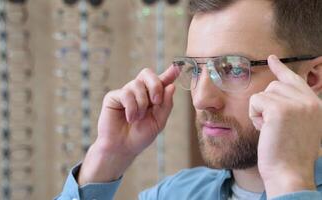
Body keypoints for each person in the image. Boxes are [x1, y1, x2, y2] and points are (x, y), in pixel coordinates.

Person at [56, 0, 322, 199]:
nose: (201, 99)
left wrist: (288, 180)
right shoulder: (173, 194)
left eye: (234, 69)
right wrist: (108, 156)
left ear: (310, 80)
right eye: (194, 69)